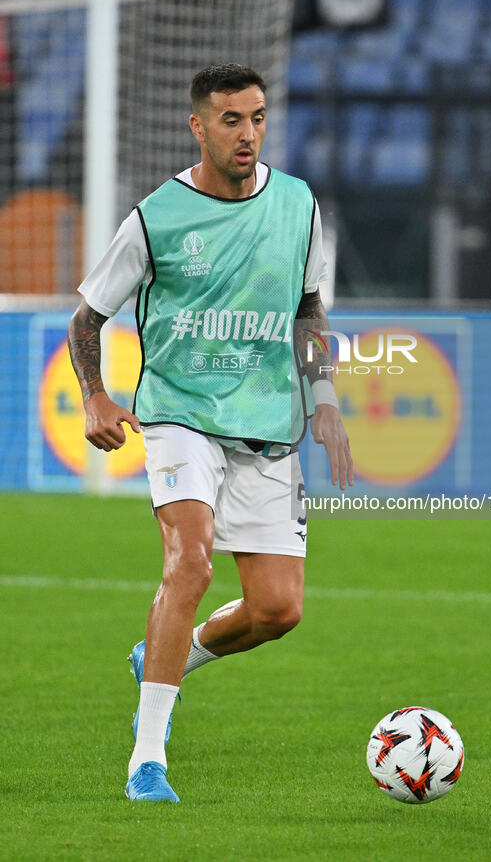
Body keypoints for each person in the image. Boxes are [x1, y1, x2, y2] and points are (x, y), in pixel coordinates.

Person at [67, 62, 353, 803]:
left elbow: (309, 310)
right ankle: (147, 759)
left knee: (277, 610)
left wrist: (322, 395)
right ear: (198, 125)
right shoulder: (158, 216)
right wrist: (96, 396)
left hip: (265, 422)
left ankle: (165, 656)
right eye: (231, 120)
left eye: (257, 118)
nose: (248, 134)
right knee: (189, 564)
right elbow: (87, 318)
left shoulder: (296, 204)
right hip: (179, 411)